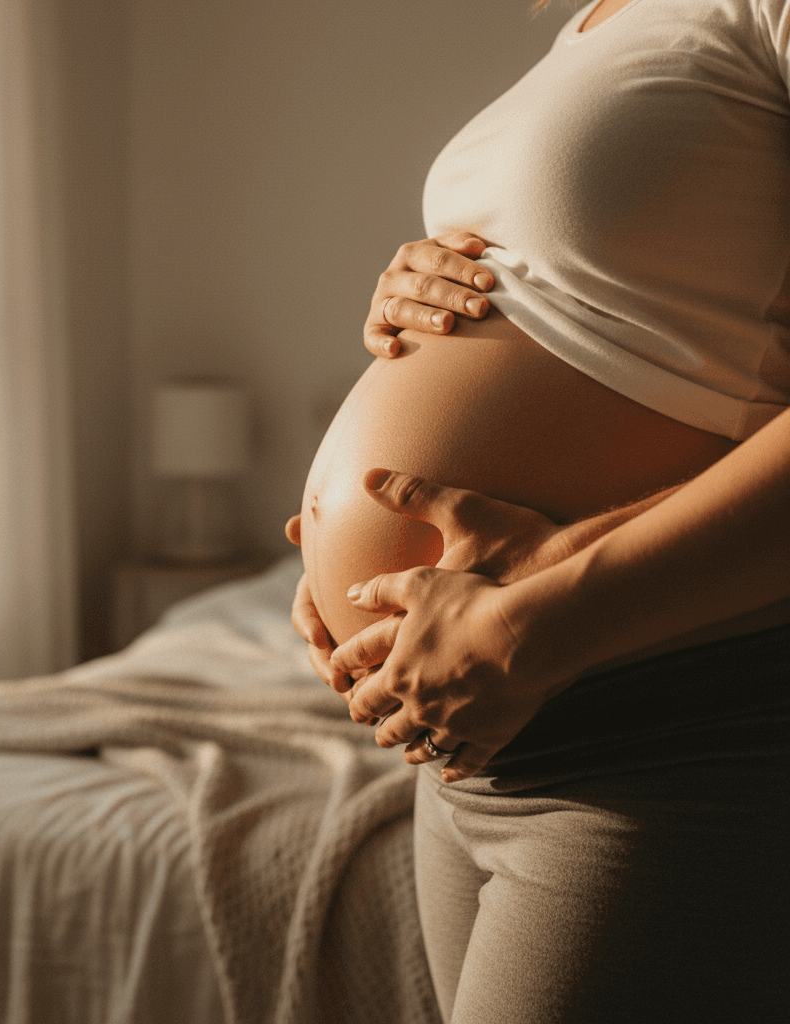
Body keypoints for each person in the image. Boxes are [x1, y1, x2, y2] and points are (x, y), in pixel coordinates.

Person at [284, 0, 790, 1020]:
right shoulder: (602, 20)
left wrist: (533, 620)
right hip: (470, 745)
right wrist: (432, 292)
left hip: (666, 722)